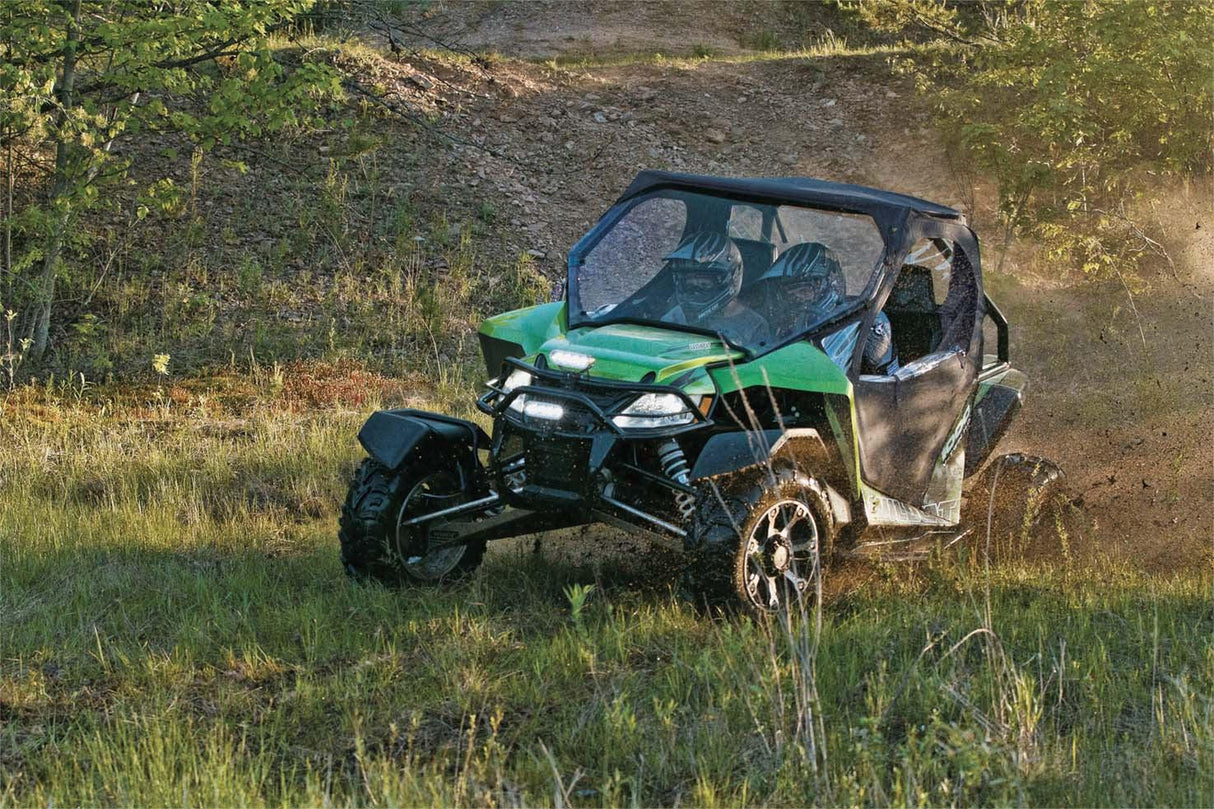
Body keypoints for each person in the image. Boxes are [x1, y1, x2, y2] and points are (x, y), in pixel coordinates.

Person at [759, 241, 899, 374]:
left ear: (829, 287)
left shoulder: (865, 319)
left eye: (803, 291)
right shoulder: (781, 321)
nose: (795, 299)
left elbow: (876, 369)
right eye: (788, 293)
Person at [661, 231, 768, 345]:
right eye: (689, 282)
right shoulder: (675, 317)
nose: (695, 290)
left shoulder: (754, 326)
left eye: (704, 283)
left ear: (731, 277)